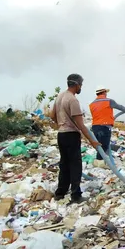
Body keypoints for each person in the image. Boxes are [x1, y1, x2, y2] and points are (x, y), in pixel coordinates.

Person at [49, 74, 100, 204]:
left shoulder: (60, 96)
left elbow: (52, 115)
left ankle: (60, 193)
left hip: (61, 134)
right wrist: (92, 141)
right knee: (75, 165)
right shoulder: (72, 100)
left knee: (64, 164)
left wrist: (60, 123)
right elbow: (80, 125)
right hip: (71, 135)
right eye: (81, 85)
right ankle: (76, 195)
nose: (81, 87)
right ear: (77, 84)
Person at [89, 85, 125, 165]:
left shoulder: (92, 104)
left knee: (99, 145)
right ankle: (99, 163)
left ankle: (103, 161)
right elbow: (120, 107)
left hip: (95, 127)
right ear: (104, 92)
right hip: (104, 127)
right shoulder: (109, 101)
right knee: (103, 146)